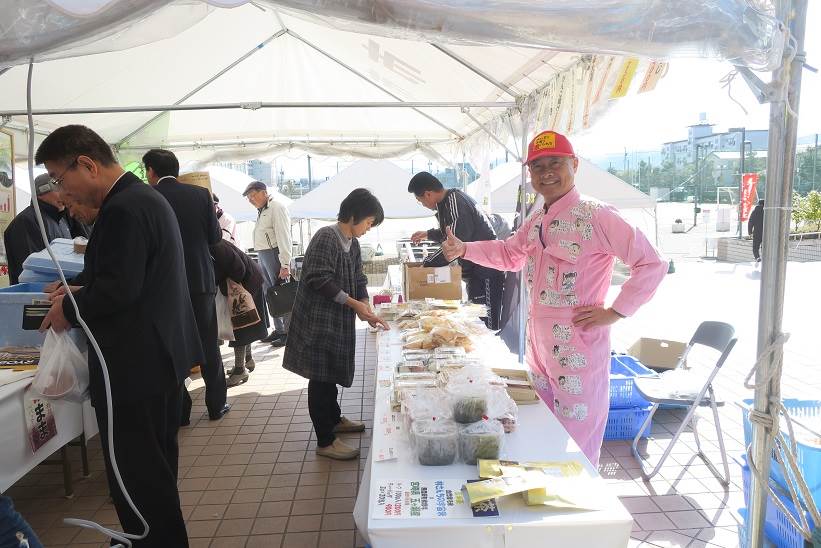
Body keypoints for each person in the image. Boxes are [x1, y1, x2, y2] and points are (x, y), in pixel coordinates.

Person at [441, 130, 667, 467]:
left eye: (556, 164)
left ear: (574, 165)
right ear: (530, 174)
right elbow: (509, 254)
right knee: (542, 430)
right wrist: (466, 249)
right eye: (538, 166)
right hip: (538, 352)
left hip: (579, 350)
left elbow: (652, 263)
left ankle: (579, 508)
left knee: (576, 443)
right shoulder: (537, 218)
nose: (547, 173)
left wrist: (616, 311)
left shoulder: (597, 215)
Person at [37, 124, 200, 546]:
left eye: (59, 178)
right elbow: (132, 278)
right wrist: (80, 290)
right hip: (159, 359)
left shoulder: (124, 208)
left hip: (135, 367)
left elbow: (119, 289)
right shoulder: (144, 199)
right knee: (154, 475)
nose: (61, 191)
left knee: (139, 479)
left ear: (87, 164)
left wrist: (68, 308)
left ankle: (149, 539)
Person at [283, 188, 389, 460]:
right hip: (316, 321)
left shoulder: (351, 242)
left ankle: (335, 419)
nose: (369, 228)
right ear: (353, 215)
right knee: (320, 379)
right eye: (368, 222)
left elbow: (358, 276)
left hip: (336, 321)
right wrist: (355, 305)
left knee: (329, 374)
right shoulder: (326, 237)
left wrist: (364, 301)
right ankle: (325, 441)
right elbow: (318, 279)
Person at [144, 149, 230, 424]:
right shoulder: (200, 195)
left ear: (150, 171)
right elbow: (214, 237)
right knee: (208, 343)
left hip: (165, 285)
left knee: (173, 346)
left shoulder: (150, 198)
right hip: (200, 280)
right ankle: (217, 405)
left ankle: (181, 413)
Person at [408, 172, 505, 330]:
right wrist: (428, 234)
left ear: (428, 194)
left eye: (420, 201)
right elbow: (449, 232)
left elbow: (453, 244)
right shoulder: (446, 203)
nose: (423, 205)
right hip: (474, 272)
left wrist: (426, 265)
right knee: (477, 323)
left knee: (486, 327)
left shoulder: (455, 202)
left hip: (486, 271)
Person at [211, 238, 268, 387]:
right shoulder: (213, 244)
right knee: (246, 324)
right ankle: (248, 360)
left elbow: (239, 270)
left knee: (240, 327)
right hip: (249, 281)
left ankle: (239, 370)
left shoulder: (215, 246)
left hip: (246, 284)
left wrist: (230, 289)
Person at [243, 181, 293, 346]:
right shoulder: (262, 210)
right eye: (248, 197)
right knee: (269, 294)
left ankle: (288, 331)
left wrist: (285, 264)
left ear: (264, 192)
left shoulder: (276, 208)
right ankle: (279, 329)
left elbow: (284, 236)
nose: (250, 200)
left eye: (252, 195)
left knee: (281, 293)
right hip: (263, 254)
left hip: (274, 254)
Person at [3, 174, 73, 284]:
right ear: (40, 194)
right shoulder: (25, 221)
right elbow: (29, 269)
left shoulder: (62, 221)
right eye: (57, 191)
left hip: (59, 293)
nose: (63, 196)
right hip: (37, 296)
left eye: (64, 190)